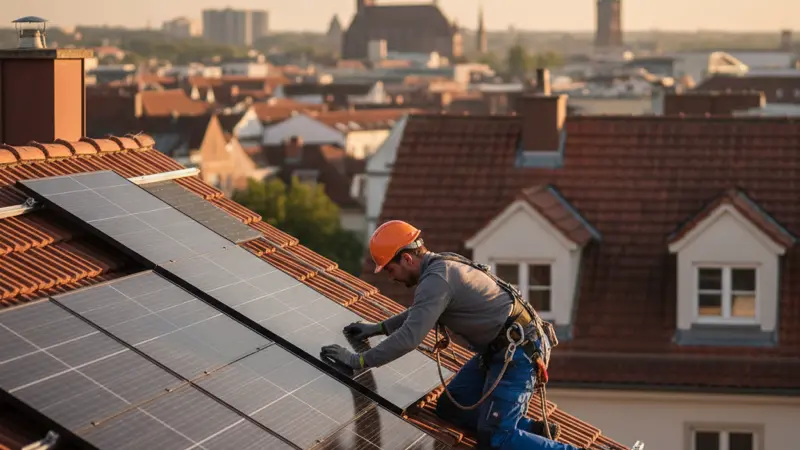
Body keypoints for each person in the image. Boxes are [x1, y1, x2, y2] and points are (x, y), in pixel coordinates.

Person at [321, 220, 599, 450]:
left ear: (406, 257)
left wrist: (358, 361)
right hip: (497, 351)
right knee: (449, 408)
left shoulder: (437, 280)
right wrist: (378, 328)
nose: (391, 277)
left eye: (391, 269)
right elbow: (419, 314)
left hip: (519, 354)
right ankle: (533, 430)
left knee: (496, 439)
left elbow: (410, 338)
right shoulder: (441, 267)